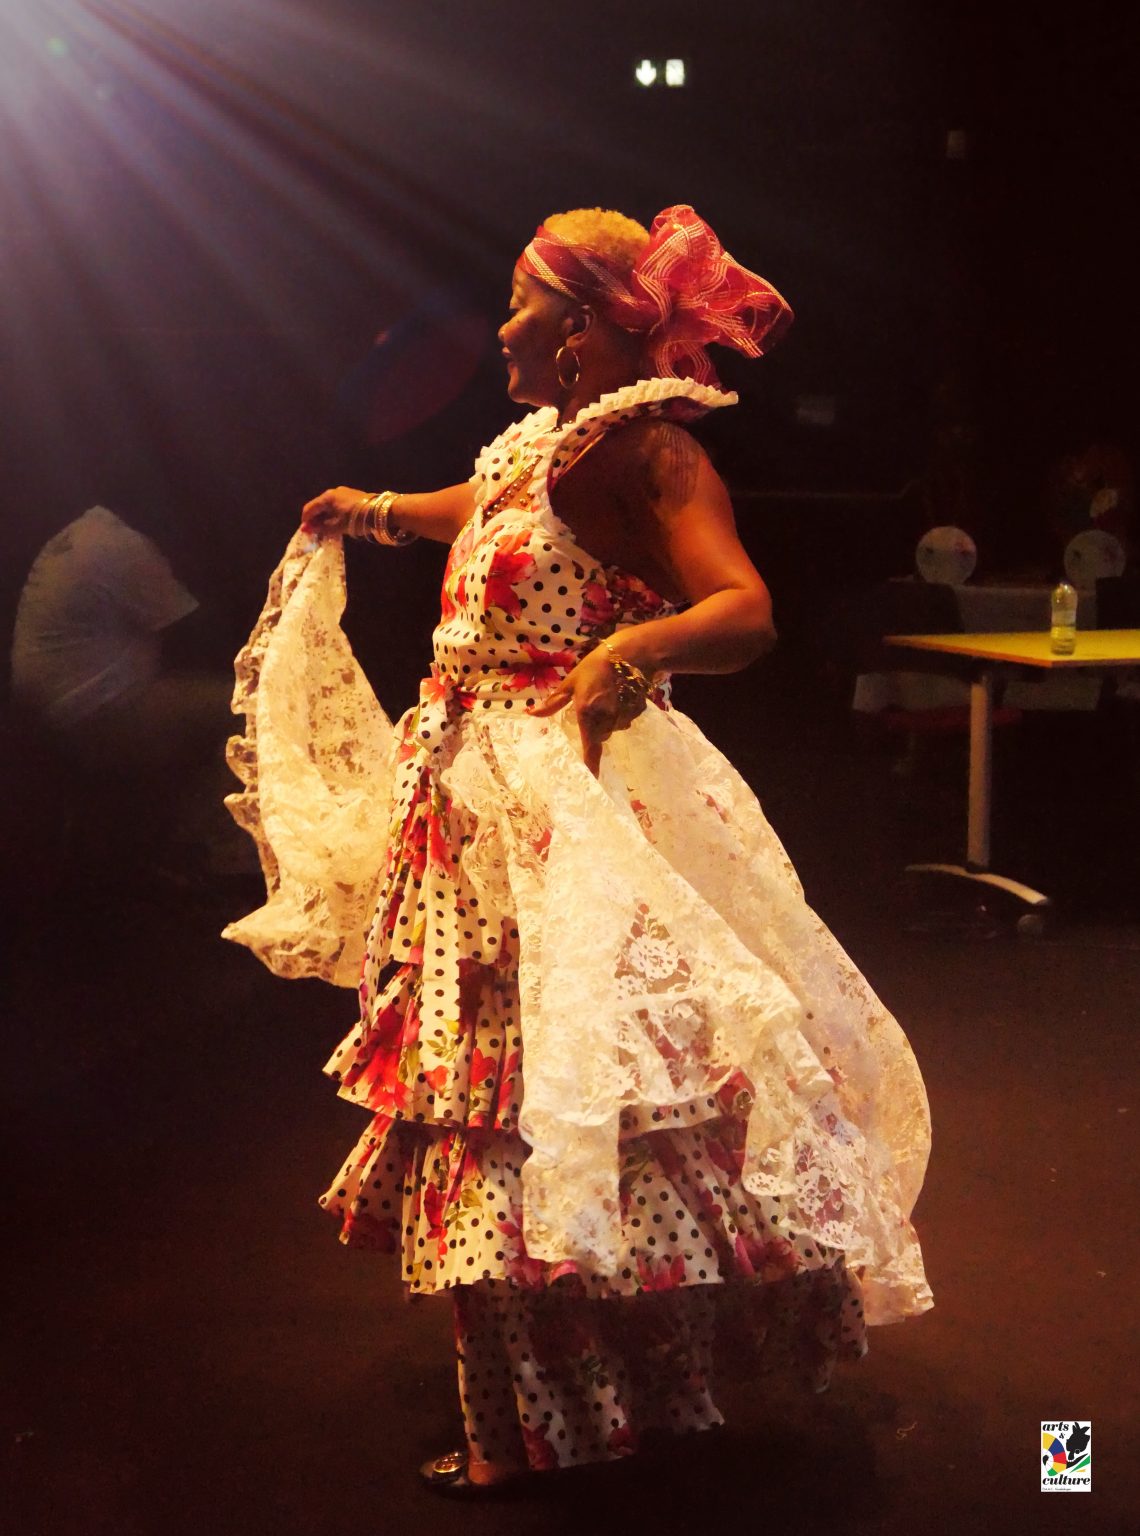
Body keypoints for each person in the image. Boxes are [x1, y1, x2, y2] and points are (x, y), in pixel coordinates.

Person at [224, 206, 933, 1495]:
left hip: (562, 801)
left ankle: (555, 1424)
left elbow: (744, 609)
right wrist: (373, 510)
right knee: (512, 1096)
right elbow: (485, 510)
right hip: (472, 807)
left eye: (521, 304)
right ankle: (593, 1408)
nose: (500, 328)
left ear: (583, 327)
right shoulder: (541, 443)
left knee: (545, 1099)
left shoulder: (650, 451)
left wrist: (630, 649)